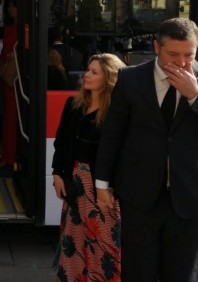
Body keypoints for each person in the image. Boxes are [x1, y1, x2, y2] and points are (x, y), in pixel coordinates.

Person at [95, 18, 198, 282]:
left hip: (193, 198)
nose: (182, 62)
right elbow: (113, 133)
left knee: (181, 276)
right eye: (173, 54)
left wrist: (196, 96)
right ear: (156, 47)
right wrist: (102, 183)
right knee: (137, 273)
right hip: (140, 196)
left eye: (188, 55)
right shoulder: (130, 78)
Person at [52, 53, 125, 282]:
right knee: (75, 240)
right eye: (87, 70)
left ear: (109, 77)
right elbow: (61, 142)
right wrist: (57, 173)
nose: (87, 75)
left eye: (94, 72)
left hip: (105, 188)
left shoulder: (118, 111)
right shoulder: (73, 104)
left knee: (104, 244)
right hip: (76, 183)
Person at [0, 0, 17, 167]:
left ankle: (11, 156)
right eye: (10, 6)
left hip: (16, 77)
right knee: (9, 117)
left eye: (14, 6)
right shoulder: (9, 28)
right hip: (9, 76)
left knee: (13, 117)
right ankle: (8, 155)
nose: (11, 9)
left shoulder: (26, 28)